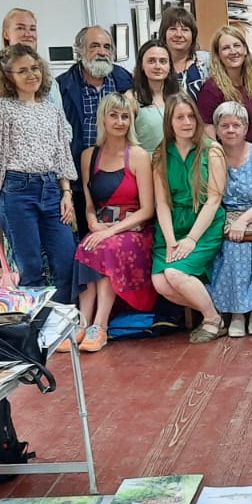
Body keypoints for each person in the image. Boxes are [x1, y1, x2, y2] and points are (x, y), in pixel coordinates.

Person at [0, 44, 77, 303]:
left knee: (66, 261)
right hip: (16, 192)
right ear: (8, 77)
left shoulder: (51, 109)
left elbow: (61, 154)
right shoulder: (0, 109)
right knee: (30, 267)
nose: (31, 75)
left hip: (51, 189)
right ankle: (37, 329)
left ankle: (62, 323)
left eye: (34, 68)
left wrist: (66, 192)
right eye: (22, 71)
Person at [72, 93, 155, 352]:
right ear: (103, 119)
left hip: (134, 229)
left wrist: (112, 231)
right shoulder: (89, 156)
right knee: (85, 247)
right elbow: (88, 203)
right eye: (114, 115)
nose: (120, 122)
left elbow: (147, 210)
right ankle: (83, 323)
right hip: (102, 227)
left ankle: (101, 325)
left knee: (107, 249)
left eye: (125, 116)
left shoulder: (139, 155)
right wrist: (92, 222)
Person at [151, 96, 227, 342]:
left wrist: (191, 240)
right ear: (169, 122)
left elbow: (214, 199)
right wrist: (172, 240)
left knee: (174, 274)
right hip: (172, 224)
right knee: (160, 282)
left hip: (204, 224)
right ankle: (219, 308)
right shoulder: (161, 154)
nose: (187, 122)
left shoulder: (211, 149)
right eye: (180, 117)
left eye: (191, 116)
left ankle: (213, 319)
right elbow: (161, 203)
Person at [208, 101, 252, 338]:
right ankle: (237, 313)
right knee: (229, 247)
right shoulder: (211, 155)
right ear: (216, 129)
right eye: (224, 125)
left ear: (246, 128)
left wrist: (243, 221)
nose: (230, 130)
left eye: (236, 125)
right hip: (222, 217)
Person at [57, 25, 135, 231]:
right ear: (80, 51)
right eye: (95, 46)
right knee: (85, 234)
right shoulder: (62, 87)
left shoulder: (124, 81)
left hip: (119, 173)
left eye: (107, 47)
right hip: (80, 175)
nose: (102, 52)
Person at [196, 23, 252, 146]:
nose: (233, 51)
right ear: (218, 55)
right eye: (226, 48)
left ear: (245, 50)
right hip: (229, 159)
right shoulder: (211, 90)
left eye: (237, 45)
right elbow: (208, 139)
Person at [131, 40, 180, 154]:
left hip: (177, 162)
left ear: (169, 66)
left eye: (163, 61)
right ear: (142, 65)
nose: (158, 66)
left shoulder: (180, 95)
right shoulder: (131, 99)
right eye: (151, 61)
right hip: (145, 164)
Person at [159, 5, 209, 98]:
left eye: (185, 30)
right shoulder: (156, 65)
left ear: (193, 35)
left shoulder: (207, 61)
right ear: (164, 33)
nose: (178, 34)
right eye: (173, 29)